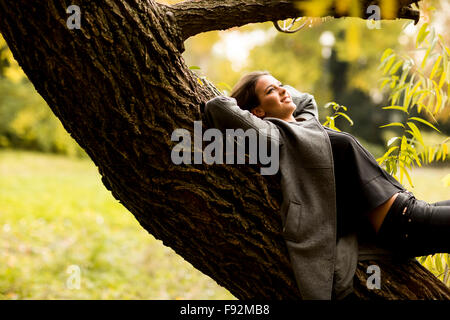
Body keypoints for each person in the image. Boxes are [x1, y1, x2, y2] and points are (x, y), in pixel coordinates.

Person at [204, 70, 450, 300]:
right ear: (256, 112)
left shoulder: (307, 121)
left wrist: (273, 87)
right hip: (401, 223)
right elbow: (219, 107)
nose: (283, 91)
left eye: (281, 86)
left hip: (411, 207)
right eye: (271, 92)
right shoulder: (276, 138)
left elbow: (306, 98)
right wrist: (251, 99)